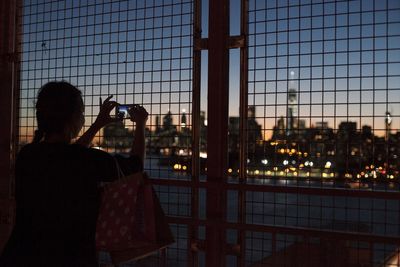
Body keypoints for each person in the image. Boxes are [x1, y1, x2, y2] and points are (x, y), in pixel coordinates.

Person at [0, 81, 148, 266]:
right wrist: (141, 125)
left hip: (19, 255)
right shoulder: (87, 160)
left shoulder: (27, 155)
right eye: (82, 112)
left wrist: (97, 124)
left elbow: (66, 156)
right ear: (72, 118)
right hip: (72, 257)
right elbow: (135, 166)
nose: (83, 118)